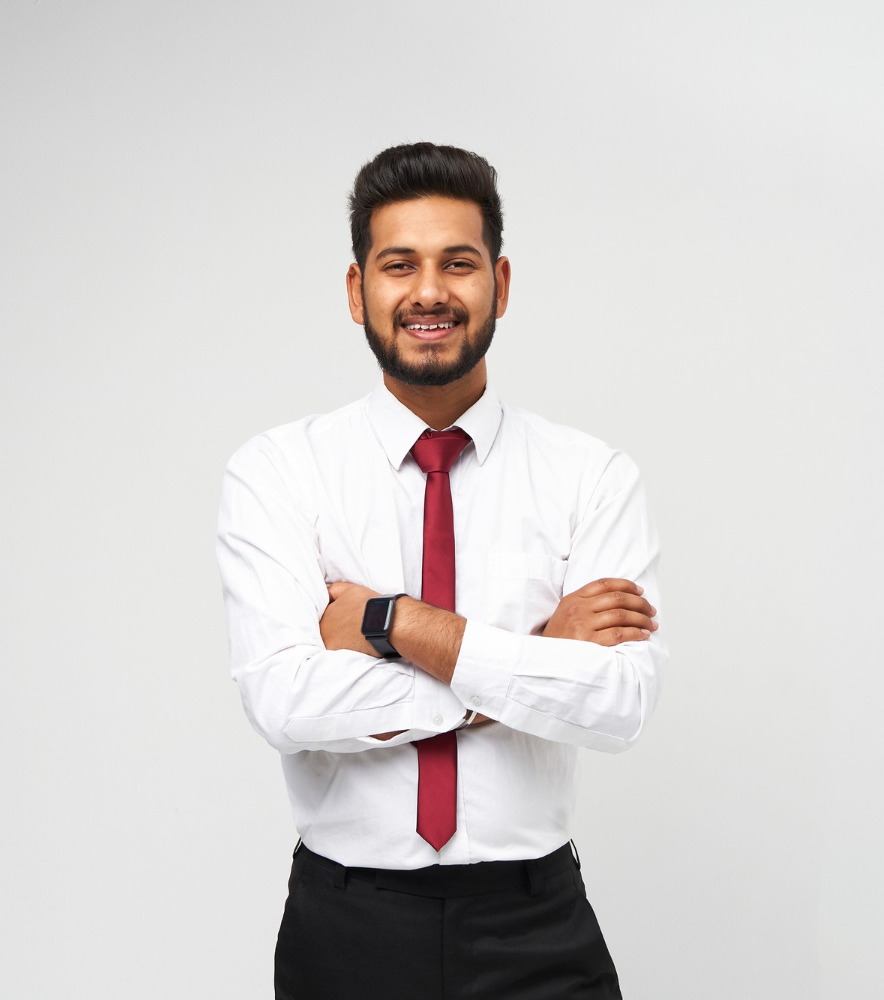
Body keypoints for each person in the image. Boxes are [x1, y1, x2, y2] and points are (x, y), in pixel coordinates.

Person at [215, 142, 668, 999]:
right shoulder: (279, 473)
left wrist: (398, 626)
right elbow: (285, 702)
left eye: (457, 263)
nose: (429, 292)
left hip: (535, 926)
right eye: (399, 265)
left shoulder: (591, 476)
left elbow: (617, 705)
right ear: (358, 292)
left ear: (500, 283)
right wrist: (531, 655)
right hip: (347, 926)